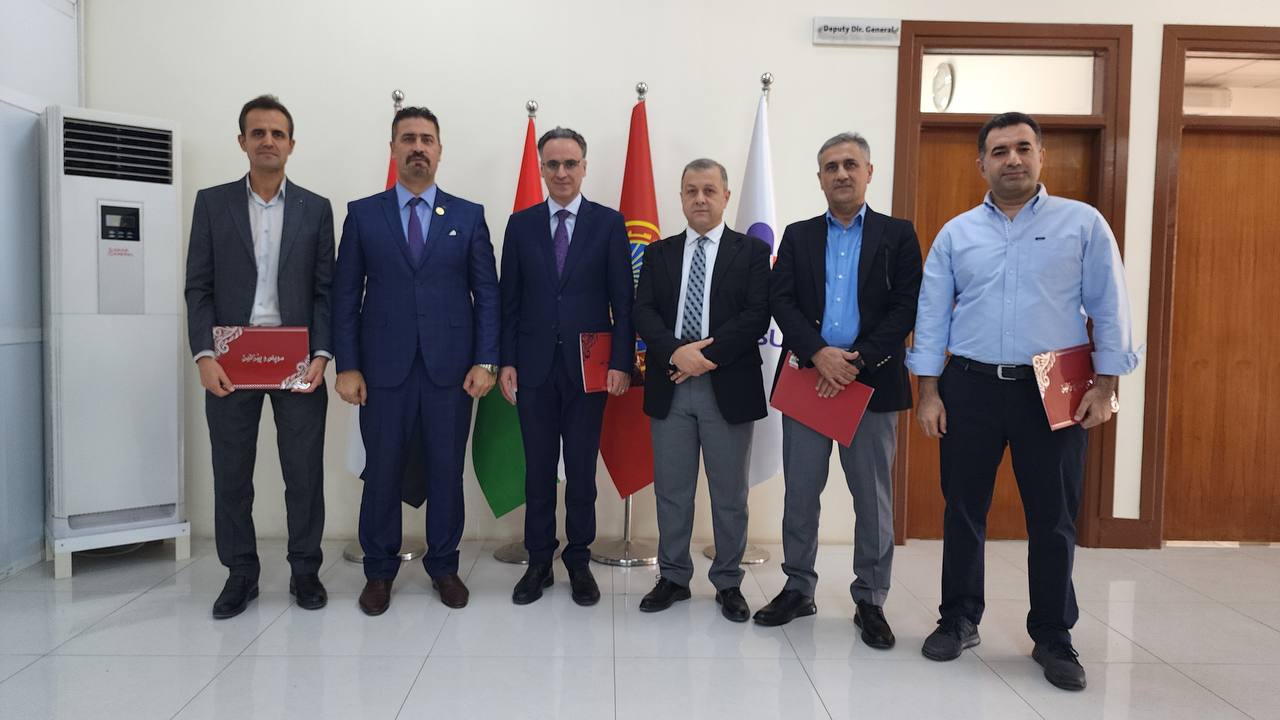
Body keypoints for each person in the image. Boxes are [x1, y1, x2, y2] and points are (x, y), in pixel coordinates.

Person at [907, 111, 1141, 690]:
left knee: (1053, 517)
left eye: (1022, 148)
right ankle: (959, 619)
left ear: (1041, 156)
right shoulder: (957, 233)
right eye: (999, 151)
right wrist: (928, 391)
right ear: (981, 163)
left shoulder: (1082, 224)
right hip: (970, 386)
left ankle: (1054, 635)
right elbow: (932, 315)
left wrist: (1107, 385)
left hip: (1053, 386)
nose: (1012, 159)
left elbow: (1110, 304)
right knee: (963, 510)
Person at [756, 133, 922, 650]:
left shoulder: (898, 235)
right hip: (808, 378)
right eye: (831, 167)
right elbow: (780, 300)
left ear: (869, 172)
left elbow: (906, 306)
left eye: (851, 164)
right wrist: (819, 354)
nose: (842, 173)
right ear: (820, 178)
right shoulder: (799, 235)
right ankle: (798, 588)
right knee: (801, 493)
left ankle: (870, 598)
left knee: (872, 499)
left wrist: (857, 359)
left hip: (870, 384)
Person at [332, 106, 500, 615]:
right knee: (382, 472)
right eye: (408, 139)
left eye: (427, 139)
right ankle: (379, 572)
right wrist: (347, 365)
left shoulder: (468, 216)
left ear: (440, 150)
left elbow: (487, 295)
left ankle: (444, 566)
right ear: (393, 149)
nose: (418, 147)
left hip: (451, 372)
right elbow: (345, 295)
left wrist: (486, 360)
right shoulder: (364, 214)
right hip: (382, 372)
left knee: (446, 472)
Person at [184, 94, 333, 619]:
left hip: (298, 361)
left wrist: (322, 355)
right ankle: (240, 573)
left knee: (303, 473)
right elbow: (198, 286)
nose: (268, 141)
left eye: (277, 133)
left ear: (291, 144)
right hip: (231, 360)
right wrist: (204, 355)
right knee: (232, 473)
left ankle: (305, 570)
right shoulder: (212, 203)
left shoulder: (316, 208)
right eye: (258, 132)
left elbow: (325, 290)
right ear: (242, 141)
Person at [499, 127, 634, 607]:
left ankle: (578, 560)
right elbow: (509, 301)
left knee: (580, 471)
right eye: (552, 164)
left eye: (570, 163)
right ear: (541, 168)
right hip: (533, 367)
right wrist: (506, 361)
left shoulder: (608, 224)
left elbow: (624, 301)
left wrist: (621, 362)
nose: (561, 172)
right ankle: (539, 561)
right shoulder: (521, 224)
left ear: (584, 167)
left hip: (589, 369)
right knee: (537, 471)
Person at [632, 158, 771, 622]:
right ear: (681, 197)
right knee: (672, 491)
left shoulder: (751, 253)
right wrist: (677, 353)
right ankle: (673, 577)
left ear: (726, 196)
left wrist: (703, 357)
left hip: (726, 385)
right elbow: (643, 311)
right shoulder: (659, 253)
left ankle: (728, 582)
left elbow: (756, 315)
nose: (700, 199)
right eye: (691, 190)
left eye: (709, 190)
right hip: (671, 385)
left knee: (729, 494)